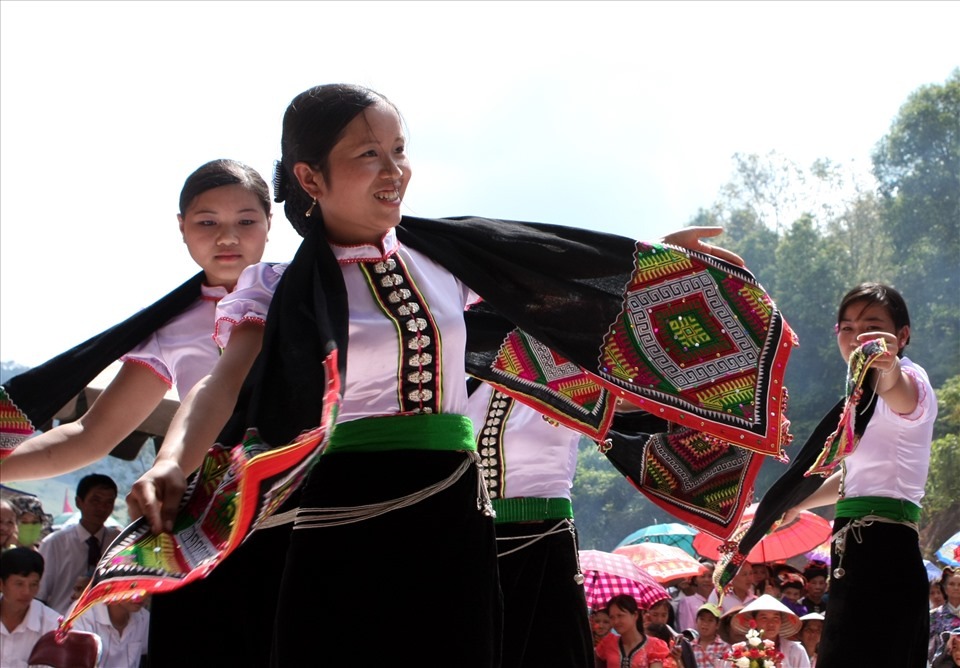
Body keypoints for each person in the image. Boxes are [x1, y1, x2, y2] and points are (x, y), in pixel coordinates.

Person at [126, 83, 746, 665]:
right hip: (335, 520)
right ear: (311, 177)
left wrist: (667, 259)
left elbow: (564, 293)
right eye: (369, 154)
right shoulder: (280, 289)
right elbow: (222, 382)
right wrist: (172, 463)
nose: (395, 170)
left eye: (399, 150)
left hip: (452, 520)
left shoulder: (445, 261)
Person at [0, 159, 272, 482]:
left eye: (245, 221)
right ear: (182, 227)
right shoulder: (170, 327)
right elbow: (91, 434)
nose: (227, 237)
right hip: (222, 506)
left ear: (269, 223)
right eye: (207, 223)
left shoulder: (304, 290)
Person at [783, 282, 936, 667]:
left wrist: (889, 369)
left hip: (886, 551)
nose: (857, 337)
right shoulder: (859, 399)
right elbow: (854, 481)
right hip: (854, 552)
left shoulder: (911, 380)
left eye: (872, 326)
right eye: (847, 328)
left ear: (902, 335)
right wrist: (796, 506)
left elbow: (899, 391)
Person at [465, 380, 592, 666]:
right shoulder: (465, 377)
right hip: (478, 547)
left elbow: (631, 405)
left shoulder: (568, 372)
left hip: (545, 541)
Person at [36, 474, 120, 614]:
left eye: (108, 502)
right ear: (78, 502)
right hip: (60, 622)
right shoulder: (54, 543)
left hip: (104, 627)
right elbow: (39, 595)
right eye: (95, 500)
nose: (102, 508)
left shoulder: (118, 543)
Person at [0, 547, 61, 668]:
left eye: (33, 584)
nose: (27, 592)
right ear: (1, 584)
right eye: (19, 584)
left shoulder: (52, 624)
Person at [730, 594, 810, 668]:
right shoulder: (742, 651)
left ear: (781, 621)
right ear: (755, 622)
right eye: (764, 618)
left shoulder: (796, 651)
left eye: (776, 618)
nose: (771, 624)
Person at [73, 595, 150, 668]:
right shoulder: (83, 613)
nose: (142, 594)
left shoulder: (144, 618)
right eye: (133, 586)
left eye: (146, 587)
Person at [595, 594, 670, 668]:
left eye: (620, 616)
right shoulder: (608, 643)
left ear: (635, 615)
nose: (616, 621)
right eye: (612, 617)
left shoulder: (654, 646)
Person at [930, 567, 960, 664]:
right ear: (944, 588)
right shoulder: (934, 616)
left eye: (959, 584)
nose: (956, 588)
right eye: (951, 584)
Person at [676, 561, 715, 632]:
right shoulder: (687, 602)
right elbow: (687, 631)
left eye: (710, 576)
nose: (707, 580)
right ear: (695, 580)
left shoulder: (719, 600)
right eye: (702, 576)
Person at [690, 603, 731, 668]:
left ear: (717, 625)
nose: (705, 623)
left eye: (710, 620)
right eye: (702, 619)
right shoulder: (690, 647)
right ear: (696, 621)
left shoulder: (724, 647)